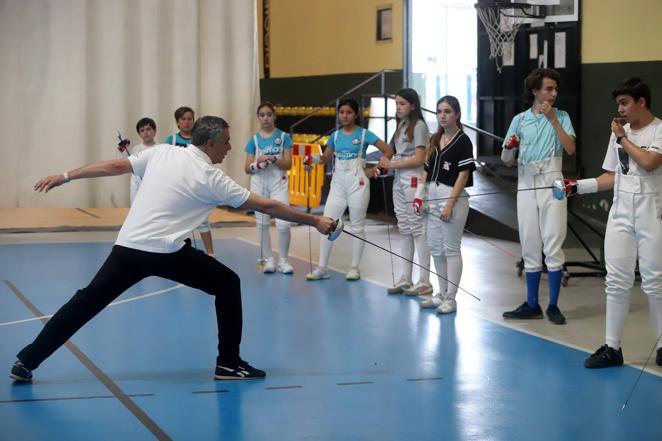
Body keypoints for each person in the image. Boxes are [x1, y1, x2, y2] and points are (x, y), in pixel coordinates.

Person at [9, 116, 337, 383]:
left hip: (128, 248)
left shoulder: (163, 152)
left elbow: (114, 167)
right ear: (209, 143)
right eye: (226, 141)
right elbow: (267, 205)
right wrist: (314, 220)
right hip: (165, 252)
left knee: (85, 302)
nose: (230, 147)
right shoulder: (212, 177)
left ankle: (27, 359)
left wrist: (66, 176)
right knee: (227, 283)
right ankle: (228, 363)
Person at [558, 77, 662, 368]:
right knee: (616, 281)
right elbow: (611, 176)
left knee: (655, 282)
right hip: (620, 212)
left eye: (625, 103)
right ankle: (613, 348)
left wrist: (622, 139)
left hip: (652, 212)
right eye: (618, 103)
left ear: (641, 102)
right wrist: (577, 186)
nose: (621, 109)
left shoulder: (658, 130)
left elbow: (650, 162)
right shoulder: (620, 134)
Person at [500, 68, 576, 325]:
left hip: (553, 181)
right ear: (535, 90)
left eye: (555, 89)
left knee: (553, 242)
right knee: (530, 242)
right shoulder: (520, 120)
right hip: (526, 182)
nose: (553, 94)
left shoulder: (562, 116)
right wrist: (510, 148)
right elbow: (506, 160)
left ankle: (553, 305)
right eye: (548, 89)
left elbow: (571, 148)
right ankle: (532, 304)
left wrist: (553, 120)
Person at [306, 98, 393, 281]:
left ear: (356, 114)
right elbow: (324, 159)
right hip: (338, 184)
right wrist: (311, 160)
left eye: (349, 112)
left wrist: (374, 170)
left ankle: (354, 267)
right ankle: (322, 267)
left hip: (358, 183)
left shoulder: (364, 134)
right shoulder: (335, 136)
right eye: (342, 112)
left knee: (357, 226)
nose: (344, 116)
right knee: (326, 223)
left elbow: (388, 150)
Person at [416, 96, 475, 314]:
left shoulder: (463, 141)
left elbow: (463, 175)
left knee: (451, 248)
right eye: (439, 111)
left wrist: (449, 204)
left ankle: (451, 297)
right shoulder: (434, 139)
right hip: (432, 195)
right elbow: (425, 171)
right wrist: (420, 195)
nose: (442, 115)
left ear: (457, 114)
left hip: (453, 197)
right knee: (435, 248)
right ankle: (441, 293)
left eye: (447, 111)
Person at [378, 88, 432, 296]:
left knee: (418, 228)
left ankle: (424, 280)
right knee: (405, 228)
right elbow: (393, 151)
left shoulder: (419, 126)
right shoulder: (401, 125)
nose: (398, 107)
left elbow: (419, 159)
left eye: (402, 104)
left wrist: (392, 164)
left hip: (413, 180)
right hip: (399, 179)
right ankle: (405, 277)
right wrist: (384, 164)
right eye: (396, 104)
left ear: (413, 105)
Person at [244, 102, 294, 274]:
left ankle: (284, 261)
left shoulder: (284, 137)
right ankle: (269, 260)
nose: (265, 118)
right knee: (262, 224)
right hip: (259, 183)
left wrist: (273, 158)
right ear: (258, 118)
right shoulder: (254, 140)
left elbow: (288, 164)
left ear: (274, 116)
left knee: (283, 224)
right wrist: (257, 164)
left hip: (278, 182)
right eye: (262, 115)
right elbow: (247, 168)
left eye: (269, 114)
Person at [164, 106, 215, 256]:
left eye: (189, 119)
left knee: (203, 221)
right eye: (183, 119)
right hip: (179, 187)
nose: (186, 122)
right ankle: (179, 255)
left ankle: (211, 255)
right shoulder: (171, 140)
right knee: (178, 223)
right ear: (177, 122)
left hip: (197, 185)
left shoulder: (198, 139)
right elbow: (166, 161)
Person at [117, 117, 157, 205]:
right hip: (137, 185)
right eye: (142, 130)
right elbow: (121, 163)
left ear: (155, 131)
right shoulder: (135, 149)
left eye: (148, 129)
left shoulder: (160, 148)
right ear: (139, 134)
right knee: (136, 208)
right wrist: (120, 151)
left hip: (154, 184)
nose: (145, 133)